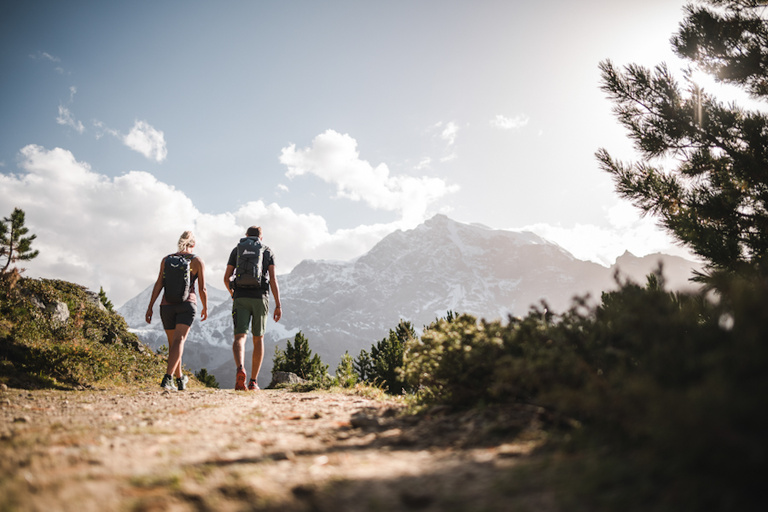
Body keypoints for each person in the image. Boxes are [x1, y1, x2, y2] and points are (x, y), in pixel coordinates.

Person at [145, 231, 208, 391]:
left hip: (166, 305)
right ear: (193, 245)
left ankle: (180, 380)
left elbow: (159, 283)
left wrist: (150, 305)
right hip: (187, 304)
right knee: (179, 341)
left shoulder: (166, 260)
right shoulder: (196, 261)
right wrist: (205, 307)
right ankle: (168, 378)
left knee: (174, 343)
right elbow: (202, 288)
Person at [223, 226, 282, 390]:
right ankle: (253, 381)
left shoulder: (237, 250)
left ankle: (240, 368)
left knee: (239, 337)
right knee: (258, 338)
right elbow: (273, 280)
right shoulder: (267, 251)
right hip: (260, 297)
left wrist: (233, 292)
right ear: (260, 237)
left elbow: (226, 278)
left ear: (246, 236)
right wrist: (278, 304)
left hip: (241, 296)